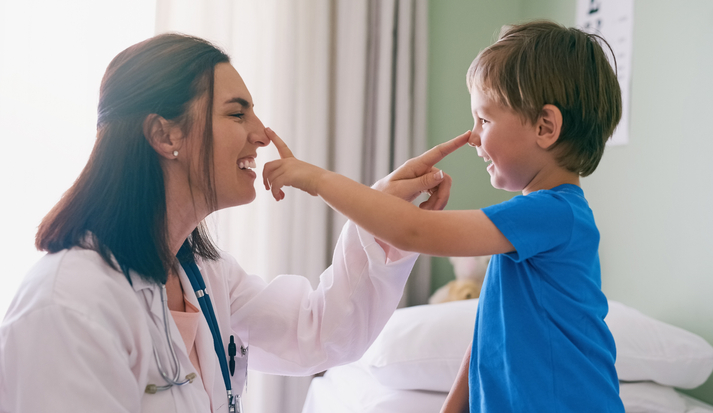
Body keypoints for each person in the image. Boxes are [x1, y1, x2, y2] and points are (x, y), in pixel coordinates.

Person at [0, 33, 462, 413]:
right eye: (237, 113)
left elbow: (319, 331)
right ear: (164, 135)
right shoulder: (68, 304)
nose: (262, 134)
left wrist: (384, 215)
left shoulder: (203, 275)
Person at [262, 20, 625, 412]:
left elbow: (413, 231)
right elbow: (491, 336)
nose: (473, 136)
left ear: (545, 127)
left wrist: (318, 179)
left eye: (484, 120)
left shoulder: (552, 214)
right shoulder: (536, 221)